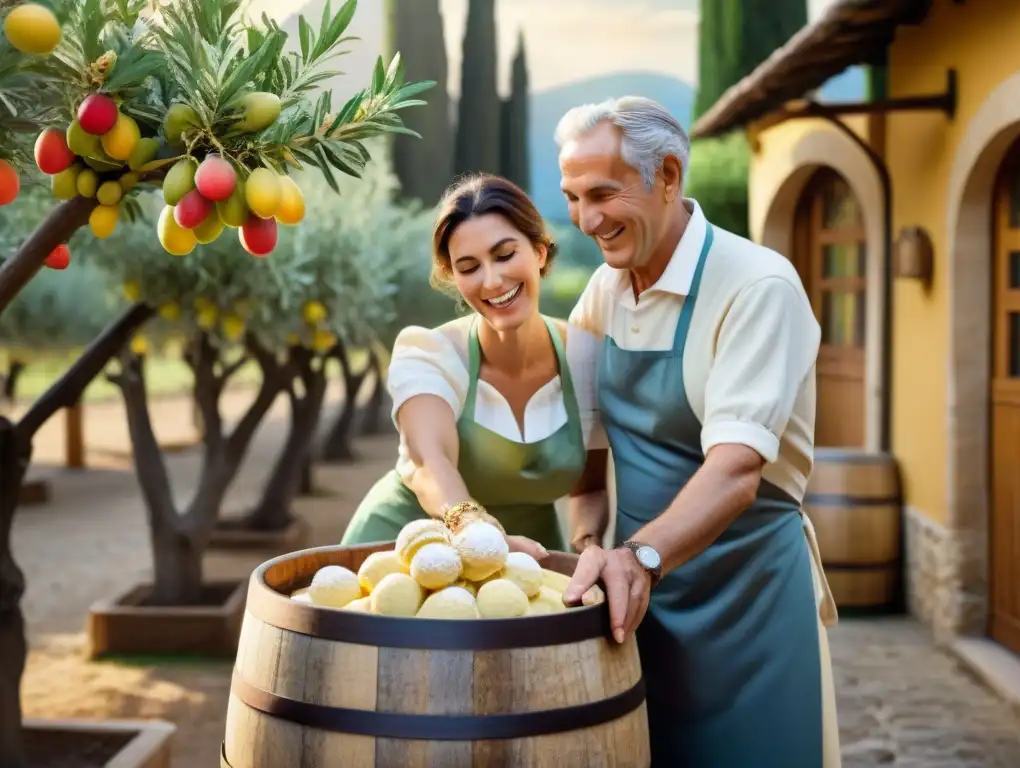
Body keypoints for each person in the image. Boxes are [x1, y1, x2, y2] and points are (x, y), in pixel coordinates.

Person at [555, 96, 841, 767]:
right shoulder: (603, 290)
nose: (586, 219)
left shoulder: (756, 287)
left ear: (669, 175)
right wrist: (591, 546)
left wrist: (641, 557)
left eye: (602, 192)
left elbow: (738, 470)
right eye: (572, 197)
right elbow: (586, 450)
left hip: (748, 599)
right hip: (636, 600)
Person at [340, 174, 610, 555]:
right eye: (469, 268)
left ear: (539, 252)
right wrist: (474, 529)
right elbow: (430, 462)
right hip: (407, 549)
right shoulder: (430, 354)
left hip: (531, 557)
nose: (492, 281)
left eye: (504, 255)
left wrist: (587, 546)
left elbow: (591, 487)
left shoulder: (586, 358)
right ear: (454, 277)